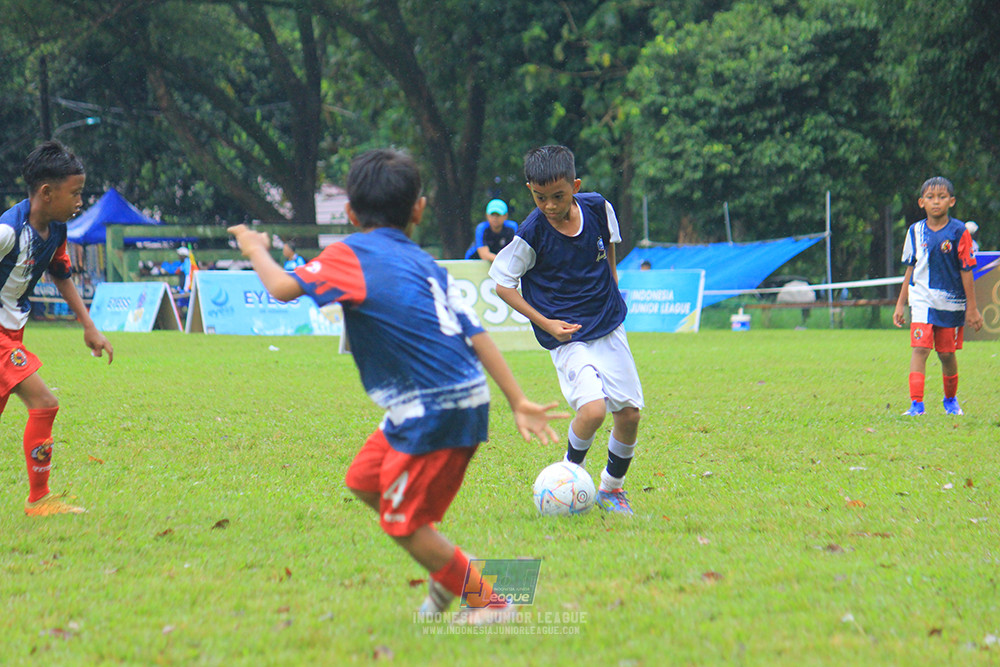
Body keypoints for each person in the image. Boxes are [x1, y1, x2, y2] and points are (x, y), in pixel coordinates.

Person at [228, 148, 565, 623]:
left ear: (348, 213)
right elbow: (476, 332)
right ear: (419, 209)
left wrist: (254, 248)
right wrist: (516, 398)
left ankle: (490, 599)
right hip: (440, 402)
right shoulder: (424, 261)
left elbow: (281, 288)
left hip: (435, 408)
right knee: (364, 482)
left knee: (401, 522)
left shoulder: (350, 255)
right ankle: (447, 574)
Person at [489, 145, 644, 515]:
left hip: (608, 325)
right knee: (592, 410)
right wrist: (546, 324)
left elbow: (608, 249)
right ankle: (567, 477)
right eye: (540, 197)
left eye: (558, 196)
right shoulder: (531, 234)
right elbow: (503, 284)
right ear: (530, 191)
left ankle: (611, 489)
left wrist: (612, 291)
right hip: (568, 335)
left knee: (629, 414)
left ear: (574, 186)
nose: (550, 206)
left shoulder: (597, 208)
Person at [1, 140, 114, 516]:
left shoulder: (57, 231)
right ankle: (40, 499)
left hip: (12, 332)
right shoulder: (7, 232)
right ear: (47, 193)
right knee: (45, 403)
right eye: (76, 193)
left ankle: (40, 499)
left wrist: (89, 327)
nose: (80, 201)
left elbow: (63, 275)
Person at [893, 176, 983, 416]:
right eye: (930, 198)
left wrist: (971, 309)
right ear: (921, 202)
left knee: (946, 353)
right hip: (921, 299)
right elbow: (910, 269)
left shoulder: (959, 232)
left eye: (942, 197)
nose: (936, 202)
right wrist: (900, 304)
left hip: (950, 303)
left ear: (951, 201)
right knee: (920, 349)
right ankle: (916, 405)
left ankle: (951, 400)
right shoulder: (915, 231)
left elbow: (966, 270)